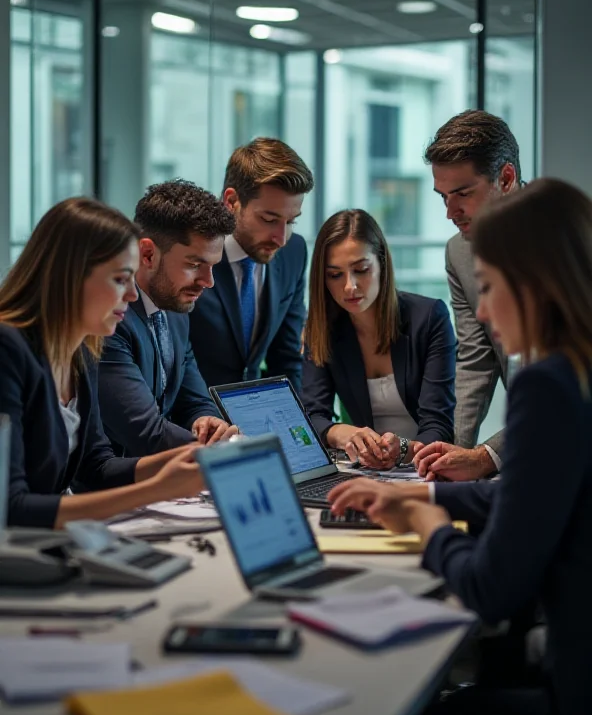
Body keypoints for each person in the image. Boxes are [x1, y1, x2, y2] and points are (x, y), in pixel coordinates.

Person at [328, 178, 592, 715]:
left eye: (491, 288)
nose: (486, 313)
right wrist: (420, 493)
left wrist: (425, 524)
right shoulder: (578, 377)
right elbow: (525, 503)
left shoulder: (548, 387)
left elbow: (488, 590)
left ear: (537, 285)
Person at [1, 198, 205, 529]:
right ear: (69, 275)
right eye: (120, 279)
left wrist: (182, 459)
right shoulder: (7, 349)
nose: (133, 295)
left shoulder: (81, 351)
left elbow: (96, 468)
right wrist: (155, 489)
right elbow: (10, 508)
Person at [301, 209, 455, 469]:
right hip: (367, 470)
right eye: (335, 275)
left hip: (424, 466)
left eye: (361, 270)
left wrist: (402, 450)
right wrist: (341, 432)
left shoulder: (429, 318)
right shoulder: (324, 328)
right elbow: (311, 415)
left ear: (382, 263)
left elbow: (438, 426)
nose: (349, 286)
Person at [415, 110, 522, 482]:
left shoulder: (565, 242)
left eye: (462, 193)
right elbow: (476, 360)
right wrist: (451, 457)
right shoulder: (459, 253)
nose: (450, 212)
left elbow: (573, 391)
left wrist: (486, 457)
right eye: (443, 196)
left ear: (505, 178)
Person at [98, 181, 237, 456]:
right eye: (194, 265)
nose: (207, 282)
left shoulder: (176, 309)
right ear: (147, 254)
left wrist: (208, 423)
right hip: (112, 485)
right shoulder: (108, 320)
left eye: (212, 267)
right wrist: (228, 452)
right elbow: (144, 432)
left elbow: (195, 400)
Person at [189, 137, 314, 391]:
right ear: (231, 201)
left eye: (291, 222)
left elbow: (287, 358)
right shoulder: (190, 255)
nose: (281, 239)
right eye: (269, 219)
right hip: (194, 421)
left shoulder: (294, 252)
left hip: (259, 420)